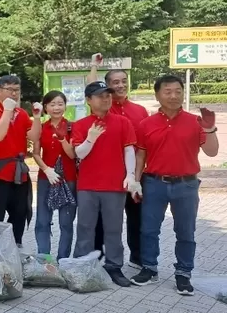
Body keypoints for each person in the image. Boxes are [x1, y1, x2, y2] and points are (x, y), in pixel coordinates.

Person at [130, 75, 219, 295]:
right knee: (149, 230)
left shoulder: (194, 122)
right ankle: (149, 268)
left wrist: (209, 129)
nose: (173, 96)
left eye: (178, 91)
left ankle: (183, 273)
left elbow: (212, 151)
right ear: (157, 95)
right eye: (168, 91)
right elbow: (141, 156)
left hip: (186, 185)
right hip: (154, 183)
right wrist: (135, 182)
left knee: (186, 231)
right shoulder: (146, 124)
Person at [71, 81, 141, 287]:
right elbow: (79, 153)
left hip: (114, 184)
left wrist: (130, 175)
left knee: (114, 228)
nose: (106, 98)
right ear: (89, 100)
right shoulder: (81, 125)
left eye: (108, 95)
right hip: (88, 185)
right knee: (85, 227)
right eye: (100, 95)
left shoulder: (122, 122)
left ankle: (114, 266)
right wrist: (91, 138)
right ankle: (81, 265)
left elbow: (129, 150)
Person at [88, 53, 149, 268]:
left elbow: (142, 146)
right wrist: (94, 66)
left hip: (135, 174)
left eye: (124, 81)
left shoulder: (140, 111)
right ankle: (96, 257)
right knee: (102, 221)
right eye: (115, 82)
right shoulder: (105, 105)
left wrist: (137, 177)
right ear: (107, 87)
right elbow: (91, 87)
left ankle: (137, 257)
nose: (121, 85)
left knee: (136, 217)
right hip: (108, 174)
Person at [0, 75, 42, 247]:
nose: (14, 94)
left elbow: (34, 136)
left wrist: (36, 117)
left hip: (20, 172)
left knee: (20, 212)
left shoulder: (22, 114)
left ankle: (15, 246)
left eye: (17, 90)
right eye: (10, 90)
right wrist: (7, 112)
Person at [32, 91, 77, 261]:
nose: (56, 107)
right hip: (46, 179)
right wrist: (46, 169)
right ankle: (44, 259)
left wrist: (62, 139)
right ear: (45, 108)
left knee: (66, 223)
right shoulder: (41, 128)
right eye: (52, 104)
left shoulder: (73, 127)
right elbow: (35, 153)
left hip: (69, 179)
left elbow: (72, 155)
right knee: (43, 221)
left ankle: (63, 259)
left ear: (65, 105)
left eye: (60, 103)